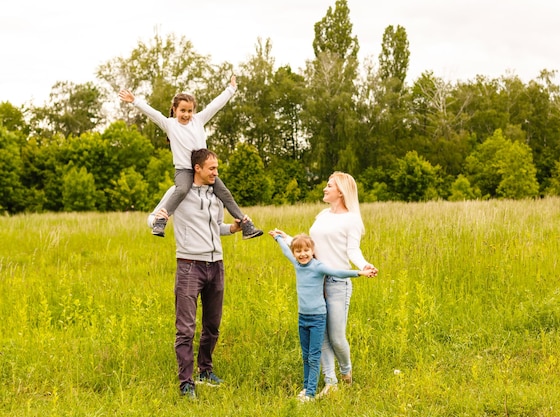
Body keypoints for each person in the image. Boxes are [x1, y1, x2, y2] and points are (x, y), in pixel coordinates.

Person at [147, 148, 248, 399]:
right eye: (212, 168)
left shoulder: (215, 195)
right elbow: (151, 219)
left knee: (212, 325)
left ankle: (205, 370)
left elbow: (216, 228)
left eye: (217, 168)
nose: (216, 173)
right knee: (186, 329)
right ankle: (186, 383)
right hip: (190, 265)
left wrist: (232, 229)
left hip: (216, 265)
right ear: (198, 169)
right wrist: (160, 219)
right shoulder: (178, 193)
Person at [273, 172, 378, 396]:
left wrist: (364, 265)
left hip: (338, 283)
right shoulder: (322, 215)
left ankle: (346, 372)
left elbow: (353, 250)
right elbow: (311, 247)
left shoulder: (352, 219)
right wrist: (287, 238)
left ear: (340, 191)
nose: (325, 188)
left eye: (329, 186)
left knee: (337, 337)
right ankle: (331, 383)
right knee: (321, 337)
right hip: (316, 281)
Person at [120, 75, 263, 239]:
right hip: (184, 171)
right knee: (181, 190)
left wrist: (231, 89)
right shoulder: (170, 125)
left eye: (189, 111)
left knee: (224, 192)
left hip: (204, 169)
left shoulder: (199, 120)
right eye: (182, 111)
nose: (186, 115)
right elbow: (152, 113)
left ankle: (245, 225)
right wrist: (134, 100)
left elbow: (215, 105)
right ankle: (160, 220)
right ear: (174, 109)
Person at [268, 231, 375, 402]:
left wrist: (360, 273)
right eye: (298, 251)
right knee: (305, 355)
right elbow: (285, 251)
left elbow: (338, 272)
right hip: (302, 317)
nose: (302, 254)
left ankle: (310, 393)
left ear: (312, 250)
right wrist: (278, 238)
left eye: (306, 250)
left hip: (318, 317)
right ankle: (305, 388)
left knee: (314, 355)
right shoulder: (296, 264)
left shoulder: (318, 267)